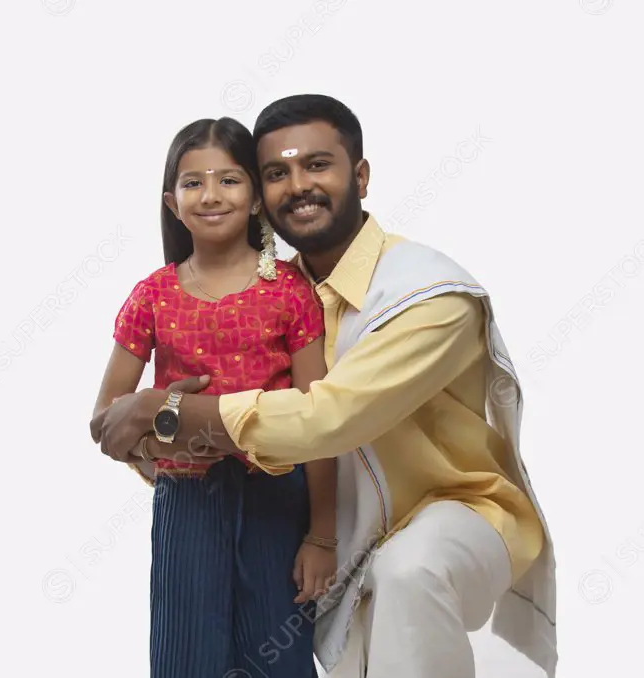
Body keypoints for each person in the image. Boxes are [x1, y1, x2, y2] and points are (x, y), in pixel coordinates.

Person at [91, 94, 557, 678]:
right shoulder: (276, 283)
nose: (298, 185)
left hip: (444, 510)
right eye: (277, 172)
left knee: (406, 573)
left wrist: (168, 412)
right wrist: (154, 448)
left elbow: (324, 418)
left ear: (360, 176)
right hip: (291, 510)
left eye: (317, 165)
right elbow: (117, 418)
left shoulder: (429, 295)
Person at [90, 116, 336, 678]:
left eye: (229, 180)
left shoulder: (291, 293)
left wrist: (322, 537)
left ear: (254, 199)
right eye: (193, 182)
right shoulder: (152, 296)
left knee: (276, 654)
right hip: (187, 502)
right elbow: (105, 420)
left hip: (279, 495)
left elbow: (322, 421)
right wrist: (156, 452)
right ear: (173, 203)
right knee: (186, 654)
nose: (210, 195)